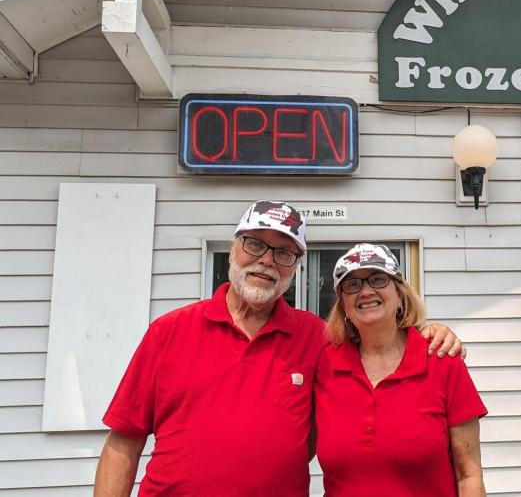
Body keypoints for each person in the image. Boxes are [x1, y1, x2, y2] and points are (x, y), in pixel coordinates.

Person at [94, 201, 463, 496]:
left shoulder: (316, 338)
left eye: (284, 253)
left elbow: (377, 346)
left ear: (295, 268)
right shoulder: (170, 331)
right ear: (232, 250)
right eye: (255, 244)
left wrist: (430, 331)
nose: (267, 260)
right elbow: (123, 441)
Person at [315, 243, 487, 496]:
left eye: (377, 279)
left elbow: (469, 475)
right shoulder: (324, 365)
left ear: (399, 296)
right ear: (344, 307)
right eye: (352, 285)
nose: (365, 291)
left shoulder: (442, 360)